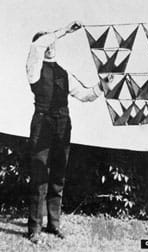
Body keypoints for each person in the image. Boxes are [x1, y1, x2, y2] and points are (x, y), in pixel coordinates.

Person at [26, 21, 113, 244]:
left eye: (52, 42)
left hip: (63, 125)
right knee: (39, 177)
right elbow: (38, 46)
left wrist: (101, 86)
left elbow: (85, 95)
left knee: (58, 176)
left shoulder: (64, 73)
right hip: (42, 124)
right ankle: (34, 228)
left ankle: (53, 225)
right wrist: (63, 30)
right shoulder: (34, 67)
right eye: (47, 41)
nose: (51, 45)